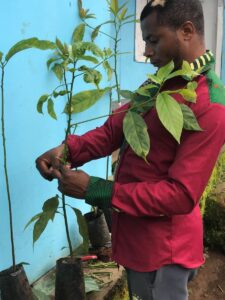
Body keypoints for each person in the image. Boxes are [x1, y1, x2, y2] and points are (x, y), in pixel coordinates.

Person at [36, 0, 225, 299]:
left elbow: (181, 194)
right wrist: (67, 150)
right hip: (138, 240)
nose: (147, 51)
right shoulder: (161, 85)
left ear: (187, 31)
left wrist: (97, 190)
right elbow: (114, 129)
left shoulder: (210, 104)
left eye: (153, 40)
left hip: (165, 252)